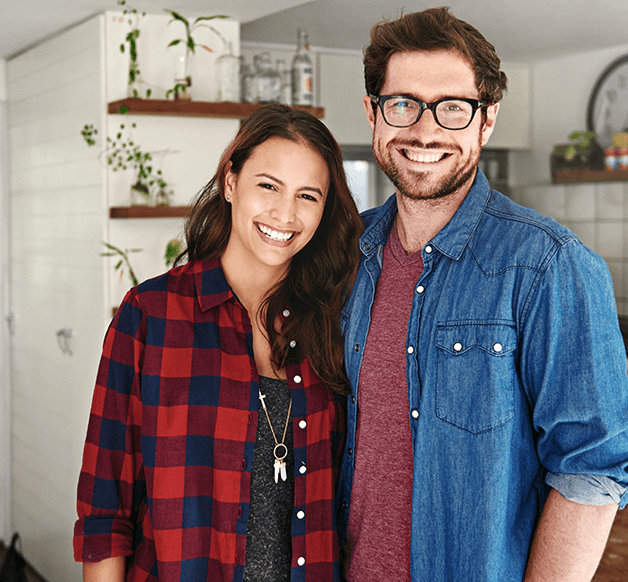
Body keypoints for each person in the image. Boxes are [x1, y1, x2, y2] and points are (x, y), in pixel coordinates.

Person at [337, 7, 628, 582]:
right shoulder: (345, 254)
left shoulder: (549, 266)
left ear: (486, 120)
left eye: (452, 107)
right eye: (403, 104)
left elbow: (591, 470)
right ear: (373, 114)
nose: (425, 130)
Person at [73, 104, 363, 581]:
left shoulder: (335, 323)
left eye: (307, 196)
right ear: (231, 182)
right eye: (268, 186)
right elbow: (106, 508)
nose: (285, 214)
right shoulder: (151, 314)